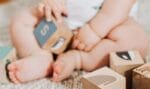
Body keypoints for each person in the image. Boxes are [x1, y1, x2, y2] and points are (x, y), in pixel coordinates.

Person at [8, 0, 148, 83]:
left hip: (105, 32)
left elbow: (119, 6)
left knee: (136, 40)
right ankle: (40, 56)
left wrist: (94, 30)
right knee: (21, 21)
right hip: (59, 23)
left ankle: (79, 59)